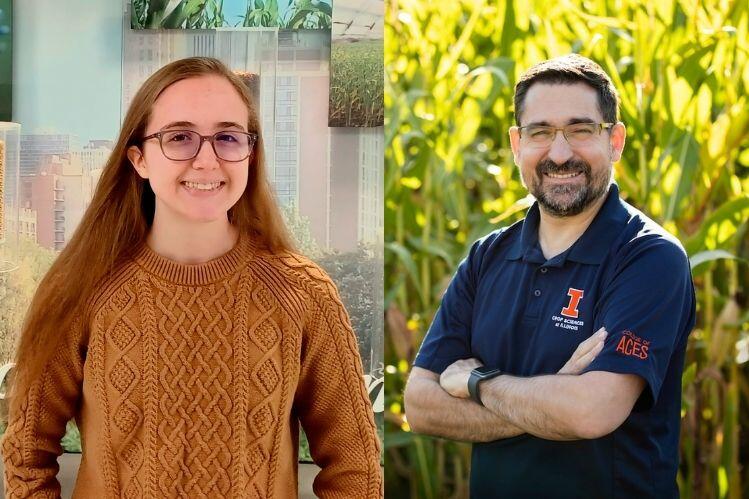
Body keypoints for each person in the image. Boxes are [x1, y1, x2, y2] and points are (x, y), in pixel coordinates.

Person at [2, 57, 382, 498]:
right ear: (139, 159)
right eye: (180, 137)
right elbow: (27, 455)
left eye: (227, 137)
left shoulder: (303, 294)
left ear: (250, 154)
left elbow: (355, 469)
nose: (207, 160)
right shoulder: (82, 288)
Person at [404, 54, 696, 498]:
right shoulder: (488, 257)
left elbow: (591, 413)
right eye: (541, 132)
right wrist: (550, 397)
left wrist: (475, 382)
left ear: (614, 141)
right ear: (517, 144)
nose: (560, 154)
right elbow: (421, 405)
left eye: (580, 130)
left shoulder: (649, 258)